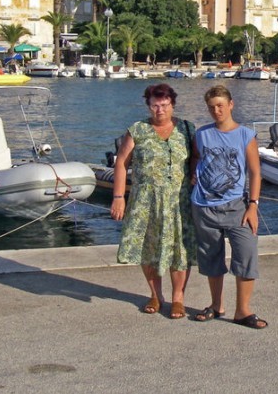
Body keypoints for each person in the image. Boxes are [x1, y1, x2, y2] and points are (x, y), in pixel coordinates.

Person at [110, 83, 197, 319]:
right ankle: (155, 295)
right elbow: (121, 164)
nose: (160, 110)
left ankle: (178, 298)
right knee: (148, 248)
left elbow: (196, 160)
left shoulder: (187, 129)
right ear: (148, 105)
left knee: (180, 249)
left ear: (173, 104)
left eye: (165, 105)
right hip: (144, 201)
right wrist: (118, 197)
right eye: (155, 105)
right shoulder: (137, 130)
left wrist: (195, 177)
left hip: (179, 201)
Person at [190, 85, 267, 329]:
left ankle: (243, 311)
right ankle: (216, 305)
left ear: (231, 105)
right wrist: (192, 174)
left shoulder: (246, 135)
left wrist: (253, 205)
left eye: (221, 105)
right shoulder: (201, 134)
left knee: (246, 254)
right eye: (212, 107)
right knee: (211, 258)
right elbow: (195, 158)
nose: (217, 111)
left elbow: (255, 172)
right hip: (204, 206)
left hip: (237, 207)